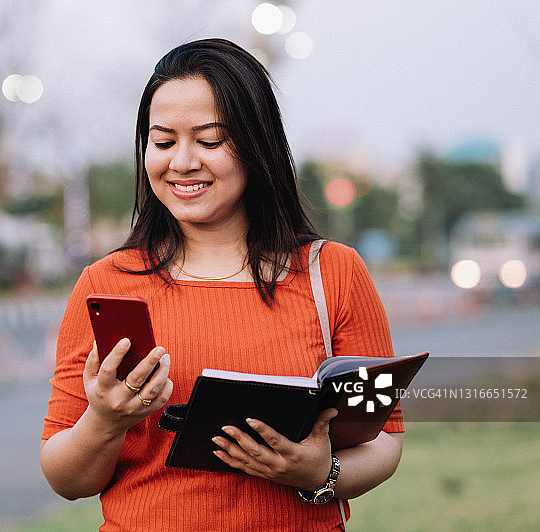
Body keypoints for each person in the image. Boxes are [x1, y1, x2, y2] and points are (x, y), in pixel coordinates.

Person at [40, 38, 403, 531]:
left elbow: (385, 442)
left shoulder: (334, 274)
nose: (182, 162)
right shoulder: (107, 285)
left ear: (259, 147)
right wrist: (105, 421)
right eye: (163, 142)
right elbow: (65, 476)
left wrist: (319, 472)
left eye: (210, 141)